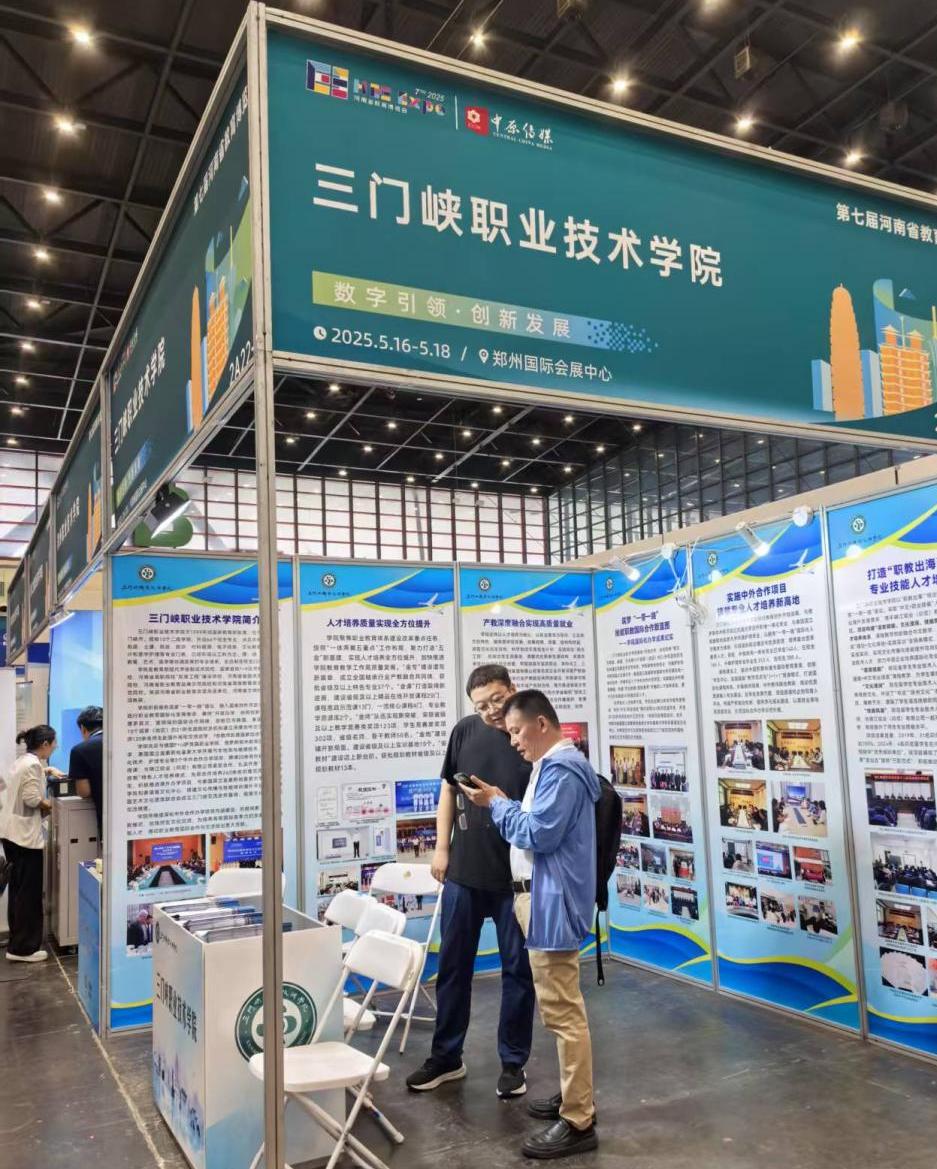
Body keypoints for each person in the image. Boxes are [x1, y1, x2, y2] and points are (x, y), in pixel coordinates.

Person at [460, 690, 600, 1160]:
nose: (514, 741)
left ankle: (579, 1120)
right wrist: (504, 802)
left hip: (550, 903)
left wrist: (497, 805)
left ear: (541, 724)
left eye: (517, 731)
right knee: (560, 1008)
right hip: (540, 899)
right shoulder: (551, 766)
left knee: (563, 1012)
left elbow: (538, 833)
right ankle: (573, 1094)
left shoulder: (562, 769)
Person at [407, 664, 535, 1099]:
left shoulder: (529, 738)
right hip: (464, 873)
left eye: (497, 699)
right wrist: (441, 848)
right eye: (481, 706)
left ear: (513, 689)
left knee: (517, 972)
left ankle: (513, 1064)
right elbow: (448, 789)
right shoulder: (465, 731)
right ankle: (446, 1057)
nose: (491, 711)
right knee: (453, 967)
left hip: (515, 879)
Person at [0, 725, 57, 963]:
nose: (55, 747)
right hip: (24, 837)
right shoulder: (33, 765)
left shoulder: (23, 761)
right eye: (53, 743)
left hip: (10, 832)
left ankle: (17, 942)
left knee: (18, 889)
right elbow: (32, 799)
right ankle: (24, 949)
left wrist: (47, 770)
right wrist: (51, 805)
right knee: (29, 892)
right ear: (44, 744)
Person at [69, 705, 103, 840]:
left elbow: (84, 791)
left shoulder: (80, 750)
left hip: (106, 817)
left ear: (83, 728)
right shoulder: (125, 742)